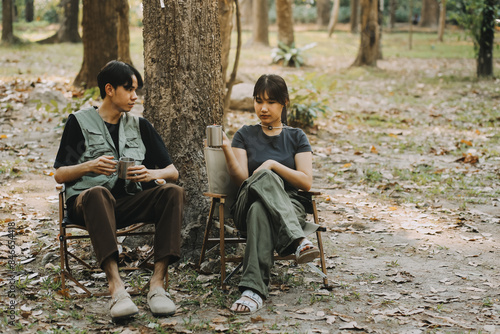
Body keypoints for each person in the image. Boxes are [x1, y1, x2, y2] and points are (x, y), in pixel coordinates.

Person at [54, 60, 184, 321]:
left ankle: (157, 286)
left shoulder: (140, 125)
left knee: (173, 192)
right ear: (110, 89)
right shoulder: (79, 123)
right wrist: (89, 165)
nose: (135, 96)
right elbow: (59, 173)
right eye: (129, 89)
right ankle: (116, 288)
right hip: (89, 205)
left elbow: (172, 171)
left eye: (136, 90)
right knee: (97, 194)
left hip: (128, 203)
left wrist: (152, 173)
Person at [220, 74, 320, 314]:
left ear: (284, 102)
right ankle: (297, 240)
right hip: (247, 200)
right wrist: (226, 149)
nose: (263, 108)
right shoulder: (244, 134)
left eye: (271, 102)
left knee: (260, 209)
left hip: (288, 205)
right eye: (258, 101)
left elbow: (306, 182)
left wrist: (273, 165)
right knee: (262, 180)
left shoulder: (296, 137)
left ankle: (252, 291)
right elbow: (242, 180)